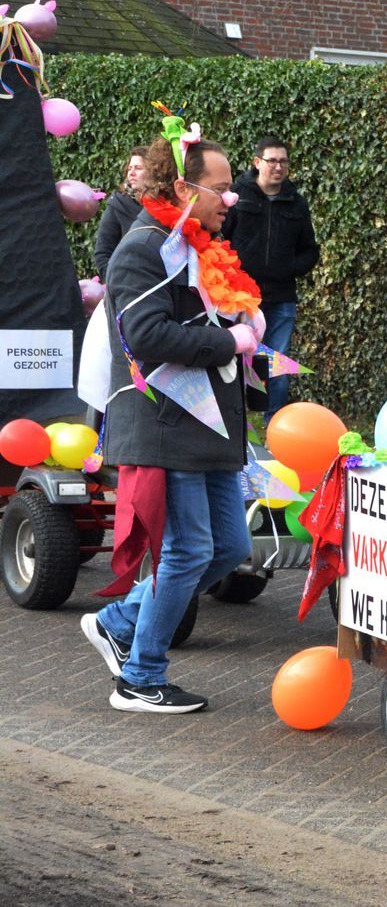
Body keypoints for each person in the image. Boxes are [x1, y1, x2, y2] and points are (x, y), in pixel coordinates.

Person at [79, 125, 258, 713]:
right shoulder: (142, 248)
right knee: (187, 552)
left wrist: (244, 326)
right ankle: (140, 677)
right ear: (184, 189)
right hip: (166, 422)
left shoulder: (198, 246)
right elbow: (146, 335)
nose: (231, 197)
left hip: (208, 429)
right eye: (221, 188)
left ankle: (119, 622)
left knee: (228, 547)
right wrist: (228, 341)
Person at [223, 135, 319, 420]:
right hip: (241, 298)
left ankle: (274, 426)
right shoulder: (236, 196)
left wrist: (288, 267)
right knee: (233, 360)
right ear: (257, 162)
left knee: (277, 363)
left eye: (283, 162)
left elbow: (310, 250)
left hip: (281, 298)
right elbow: (219, 238)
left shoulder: (296, 203)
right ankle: (234, 421)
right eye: (272, 161)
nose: (278, 167)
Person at [91, 148, 146, 279]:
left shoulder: (169, 201)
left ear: (154, 171)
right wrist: (117, 283)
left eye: (138, 168)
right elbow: (103, 253)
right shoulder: (118, 204)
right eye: (129, 168)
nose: (131, 173)